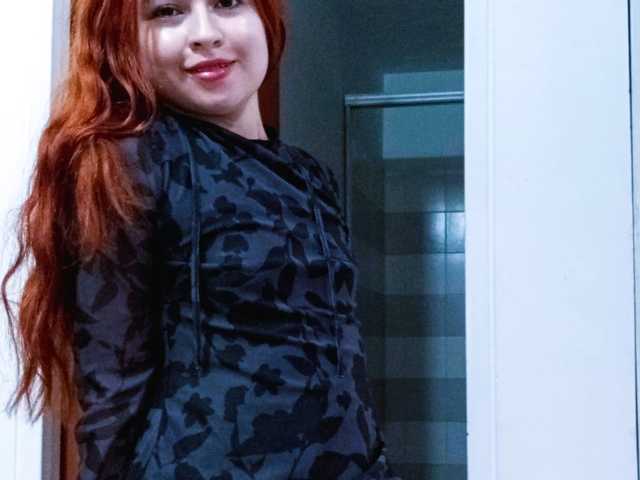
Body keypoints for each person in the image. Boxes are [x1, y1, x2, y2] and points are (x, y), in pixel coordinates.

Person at [3, 0, 402, 478]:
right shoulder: (132, 160)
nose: (204, 33)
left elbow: (341, 356)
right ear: (125, 38)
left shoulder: (310, 173)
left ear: (266, 17)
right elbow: (113, 385)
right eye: (168, 12)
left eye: (227, 3)